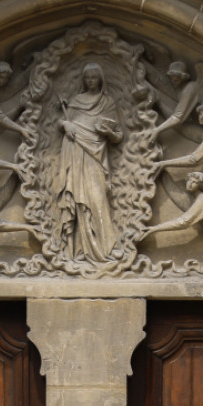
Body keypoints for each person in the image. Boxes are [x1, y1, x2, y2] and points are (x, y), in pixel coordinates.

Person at [56, 63, 123, 262]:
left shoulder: (107, 102)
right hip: (75, 151)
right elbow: (62, 122)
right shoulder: (76, 101)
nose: (91, 81)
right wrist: (65, 123)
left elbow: (118, 136)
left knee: (97, 198)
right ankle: (77, 250)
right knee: (78, 199)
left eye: (94, 77)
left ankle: (107, 248)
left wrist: (108, 132)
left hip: (96, 155)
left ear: (101, 79)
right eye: (88, 78)